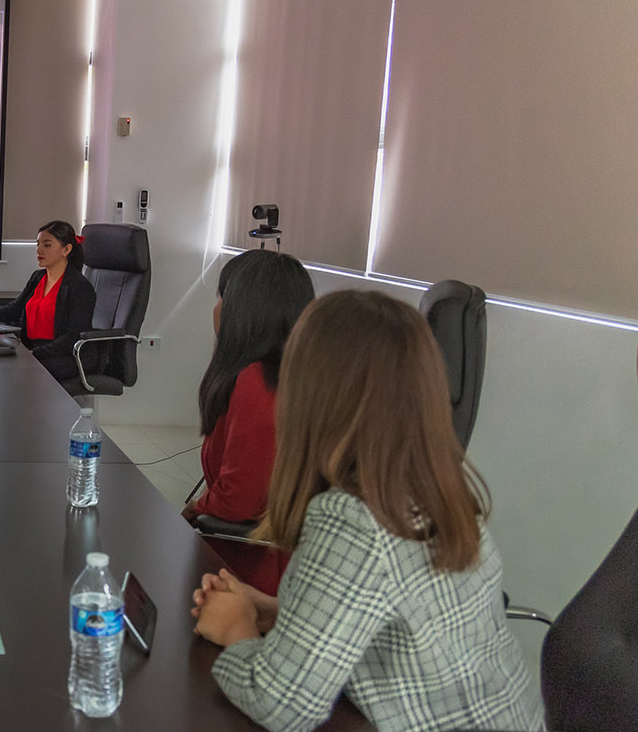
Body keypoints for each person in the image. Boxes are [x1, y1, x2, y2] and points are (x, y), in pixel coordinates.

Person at [189, 290, 543, 732]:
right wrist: (276, 609)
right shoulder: (438, 493)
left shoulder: (350, 519)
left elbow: (282, 705)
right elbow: (392, 615)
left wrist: (236, 629)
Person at [181, 250, 314, 594]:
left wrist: (198, 507)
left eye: (222, 297)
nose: (216, 308)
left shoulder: (258, 383)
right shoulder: (296, 373)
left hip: (250, 576)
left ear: (244, 311)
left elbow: (240, 500)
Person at [0, 220, 96, 382]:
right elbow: (14, 310)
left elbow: (73, 336)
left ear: (66, 249)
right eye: (38, 244)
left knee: (14, 372)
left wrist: (35, 354)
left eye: (47, 245)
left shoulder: (80, 287)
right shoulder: (38, 277)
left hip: (65, 356)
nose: (39, 250)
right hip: (35, 350)